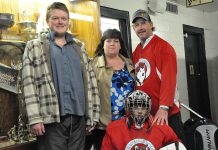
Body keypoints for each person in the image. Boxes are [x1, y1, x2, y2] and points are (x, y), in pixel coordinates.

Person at [22, 2, 100, 150]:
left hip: (79, 120)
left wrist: (93, 115)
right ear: (47, 21)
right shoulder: (34, 46)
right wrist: (34, 118)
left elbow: (91, 83)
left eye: (64, 18)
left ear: (68, 22)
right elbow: (28, 84)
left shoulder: (79, 47)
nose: (60, 22)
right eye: (55, 18)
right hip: (51, 121)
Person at [131, 9, 186, 144]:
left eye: (143, 23)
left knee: (174, 145)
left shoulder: (163, 47)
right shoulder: (136, 51)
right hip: (148, 115)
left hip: (166, 114)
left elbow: (169, 79)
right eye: (137, 25)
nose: (140, 28)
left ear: (151, 24)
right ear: (133, 28)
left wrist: (164, 107)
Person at [85, 29, 135, 150]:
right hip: (103, 125)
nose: (112, 44)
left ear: (120, 45)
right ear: (103, 45)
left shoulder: (129, 63)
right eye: (108, 41)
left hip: (127, 123)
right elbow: (87, 92)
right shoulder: (93, 64)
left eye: (116, 41)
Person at [101, 90, 186, 150]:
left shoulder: (162, 127)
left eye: (143, 107)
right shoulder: (114, 129)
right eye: (136, 107)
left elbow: (177, 146)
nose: (140, 111)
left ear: (148, 108)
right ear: (128, 108)